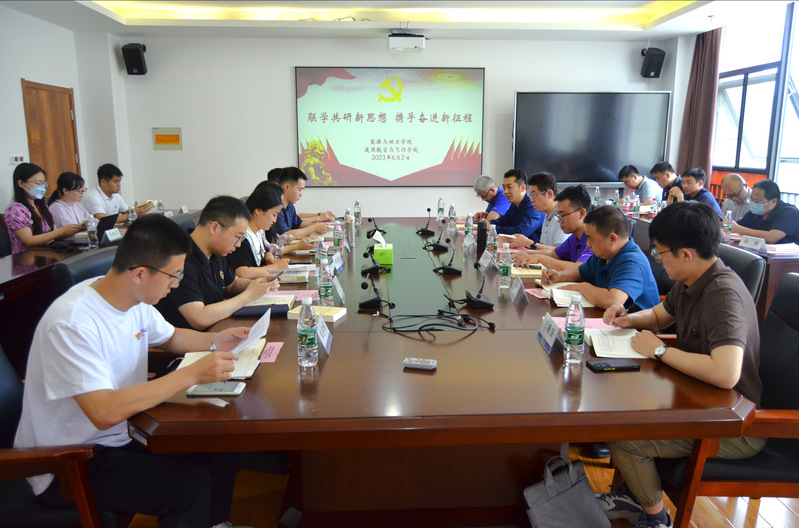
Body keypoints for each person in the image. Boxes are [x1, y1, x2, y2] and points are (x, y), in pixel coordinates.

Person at [14, 214, 253, 528]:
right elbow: (104, 412)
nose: (176, 284)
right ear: (140, 273)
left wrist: (217, 340)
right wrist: (191, 375)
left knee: (219, 444)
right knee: (188, 486)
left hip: (122, 434)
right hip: (71, 459)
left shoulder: (133, 298)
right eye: (174, 275)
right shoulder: (72, 323)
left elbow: (171, 336)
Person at [596, 201, 765, 528]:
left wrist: (659, 351)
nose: (657, 260)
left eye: (659, 253)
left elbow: (726, 373)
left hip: (733, 424)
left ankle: (657, 519)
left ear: (685, 254)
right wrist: (629, 319)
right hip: (698, 399)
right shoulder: (693, 279)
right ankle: (633, 495)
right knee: (618, 411)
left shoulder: (724, 294)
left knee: (623, 436)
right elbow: (661, 315)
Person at [156, 195, 276, 330]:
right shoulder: (181, 259)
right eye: (237, 237)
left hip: (218, 329)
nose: (238, 245)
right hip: (193, 339)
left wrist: (257, 285)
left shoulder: (216, 252)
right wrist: (248, 296)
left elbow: (232, 284)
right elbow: (199, 318)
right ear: (214, 228)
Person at [542, 205, 659, 310]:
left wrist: (582, 287)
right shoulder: (603, 254)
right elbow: (580, 272)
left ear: (612, 239)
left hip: (636, 326)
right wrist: (559, 276)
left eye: (590, 238)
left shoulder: (632, 262)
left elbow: (613, 301)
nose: (587, 244)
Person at [512, 184, 593, 272]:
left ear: (581, 213)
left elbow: (579, 268)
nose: (559, 221)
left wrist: (540, 259)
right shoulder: (575, 237)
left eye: (563, 215)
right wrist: (528, 253)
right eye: (559, 216)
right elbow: (555, 253)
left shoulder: (593, 239)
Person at [5, 163, 81, 254]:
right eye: (38, 183)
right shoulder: (16, 209)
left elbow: (54, 233)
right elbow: (28, 240)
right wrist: (61, 231)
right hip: (27, 258)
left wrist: (74, 230)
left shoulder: (40, 206)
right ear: (21, 183)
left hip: (47, 254)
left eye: (43, 183)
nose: (42, 187)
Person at [227, 181, 292, 280]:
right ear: (258, 211)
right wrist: (275, 267)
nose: (275, 220)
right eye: (274, 215)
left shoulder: (259, 232)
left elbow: (264, 251)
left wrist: (268, 256)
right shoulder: (242, 237)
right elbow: (242, 272)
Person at [269, 167, 332, 238]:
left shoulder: (290, 206)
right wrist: (313, 228)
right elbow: (283, 236)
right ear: (287, 187)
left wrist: (320, 226)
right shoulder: (277, 208)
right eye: (299, 190)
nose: (301, 194)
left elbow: (299, 223)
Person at [484, 169, 545, 241]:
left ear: (522, 188)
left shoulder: (533, 206)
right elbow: (502, 222)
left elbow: (520, 233)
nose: (505, 192)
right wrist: (485, 223)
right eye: (504, 188)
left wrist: (492, 227)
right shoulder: (514, 205)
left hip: (534, 247)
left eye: (509, 187)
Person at [733, 179, 799, 244]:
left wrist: (738, 229)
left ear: (773, 201)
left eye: (757, 201)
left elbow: (771, 238)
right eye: (751, 200)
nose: (753, 203)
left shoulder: (789, 212)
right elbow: (735, 227)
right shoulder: (755, 212)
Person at [82, 163, 153, 221]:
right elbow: (104, 220)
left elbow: (126, 211)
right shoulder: (92, 197)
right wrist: (134, 214)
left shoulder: (116, 195)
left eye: (119, 181)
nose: (119, 185)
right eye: (116, 181)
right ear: (103, 182)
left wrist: (139, 210)